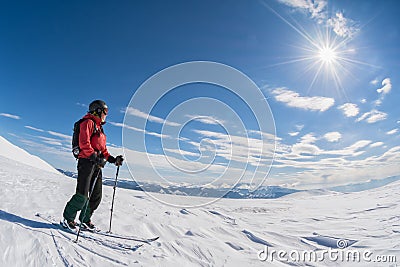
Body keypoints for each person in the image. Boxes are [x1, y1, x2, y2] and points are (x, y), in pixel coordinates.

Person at [62, 100, 123, 231]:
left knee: (96, 197)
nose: (106, 115)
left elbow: (103, 150)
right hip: (86, 162)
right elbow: (84, 144)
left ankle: (84, 219)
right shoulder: (87, 123)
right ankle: (68, 218)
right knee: (82, 195)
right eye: (105, 112)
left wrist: (113, 160)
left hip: (96, 164)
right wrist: (95, 158)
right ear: (98, 111)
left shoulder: (99, 128)